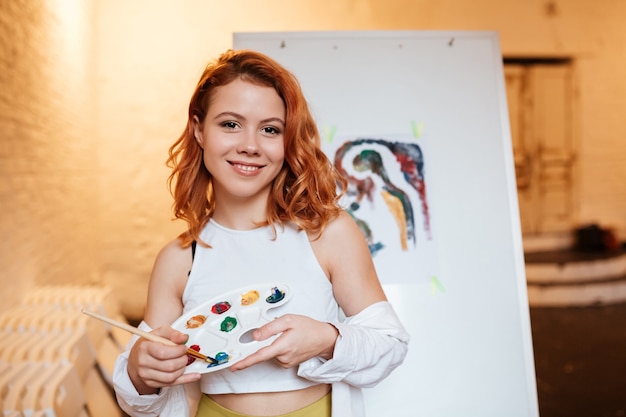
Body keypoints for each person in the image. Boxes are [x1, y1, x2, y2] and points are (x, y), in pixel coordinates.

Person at [112, 49, 409, 417]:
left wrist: (327, 340)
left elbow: (390, 344)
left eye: (270, 129)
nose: (250, 145)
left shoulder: (328, 235)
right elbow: (138, 400)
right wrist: (141, 372)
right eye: (230, 124)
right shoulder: (178, 259)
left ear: (288, 140)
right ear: (198, 130)